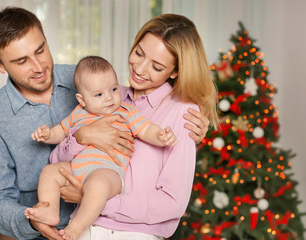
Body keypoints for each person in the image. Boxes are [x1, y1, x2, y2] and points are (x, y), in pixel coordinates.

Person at [0, 7, 208, 240]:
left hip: (113, 225)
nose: (38, 66)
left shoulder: (97, 82)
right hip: (45, 233)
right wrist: (81, 136)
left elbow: (168, 189)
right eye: (22, 60)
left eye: (41, 50)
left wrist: (193, 126)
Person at [58, 13, 219, 240]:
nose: (140, 69)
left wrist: (96, 200)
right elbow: (57, 162)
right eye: (139, 53)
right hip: (81, 229)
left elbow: (172, 203)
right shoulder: (110, 96)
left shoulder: (183, 113)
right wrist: (82, 136)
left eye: (156, 66)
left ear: (175, 72)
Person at [25, 55, 178, 240]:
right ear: (82, 100)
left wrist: (160, 136)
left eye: (114, 89)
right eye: (99, 94)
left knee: (97, 186)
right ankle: (49, 209)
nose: (109, 98)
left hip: (108, 172)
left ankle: (75, 228)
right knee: (50, 172)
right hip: (76, 170)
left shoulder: (125, 111)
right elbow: (62, 131)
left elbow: (145, 128)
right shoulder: (78, 113)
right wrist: (48, 134)